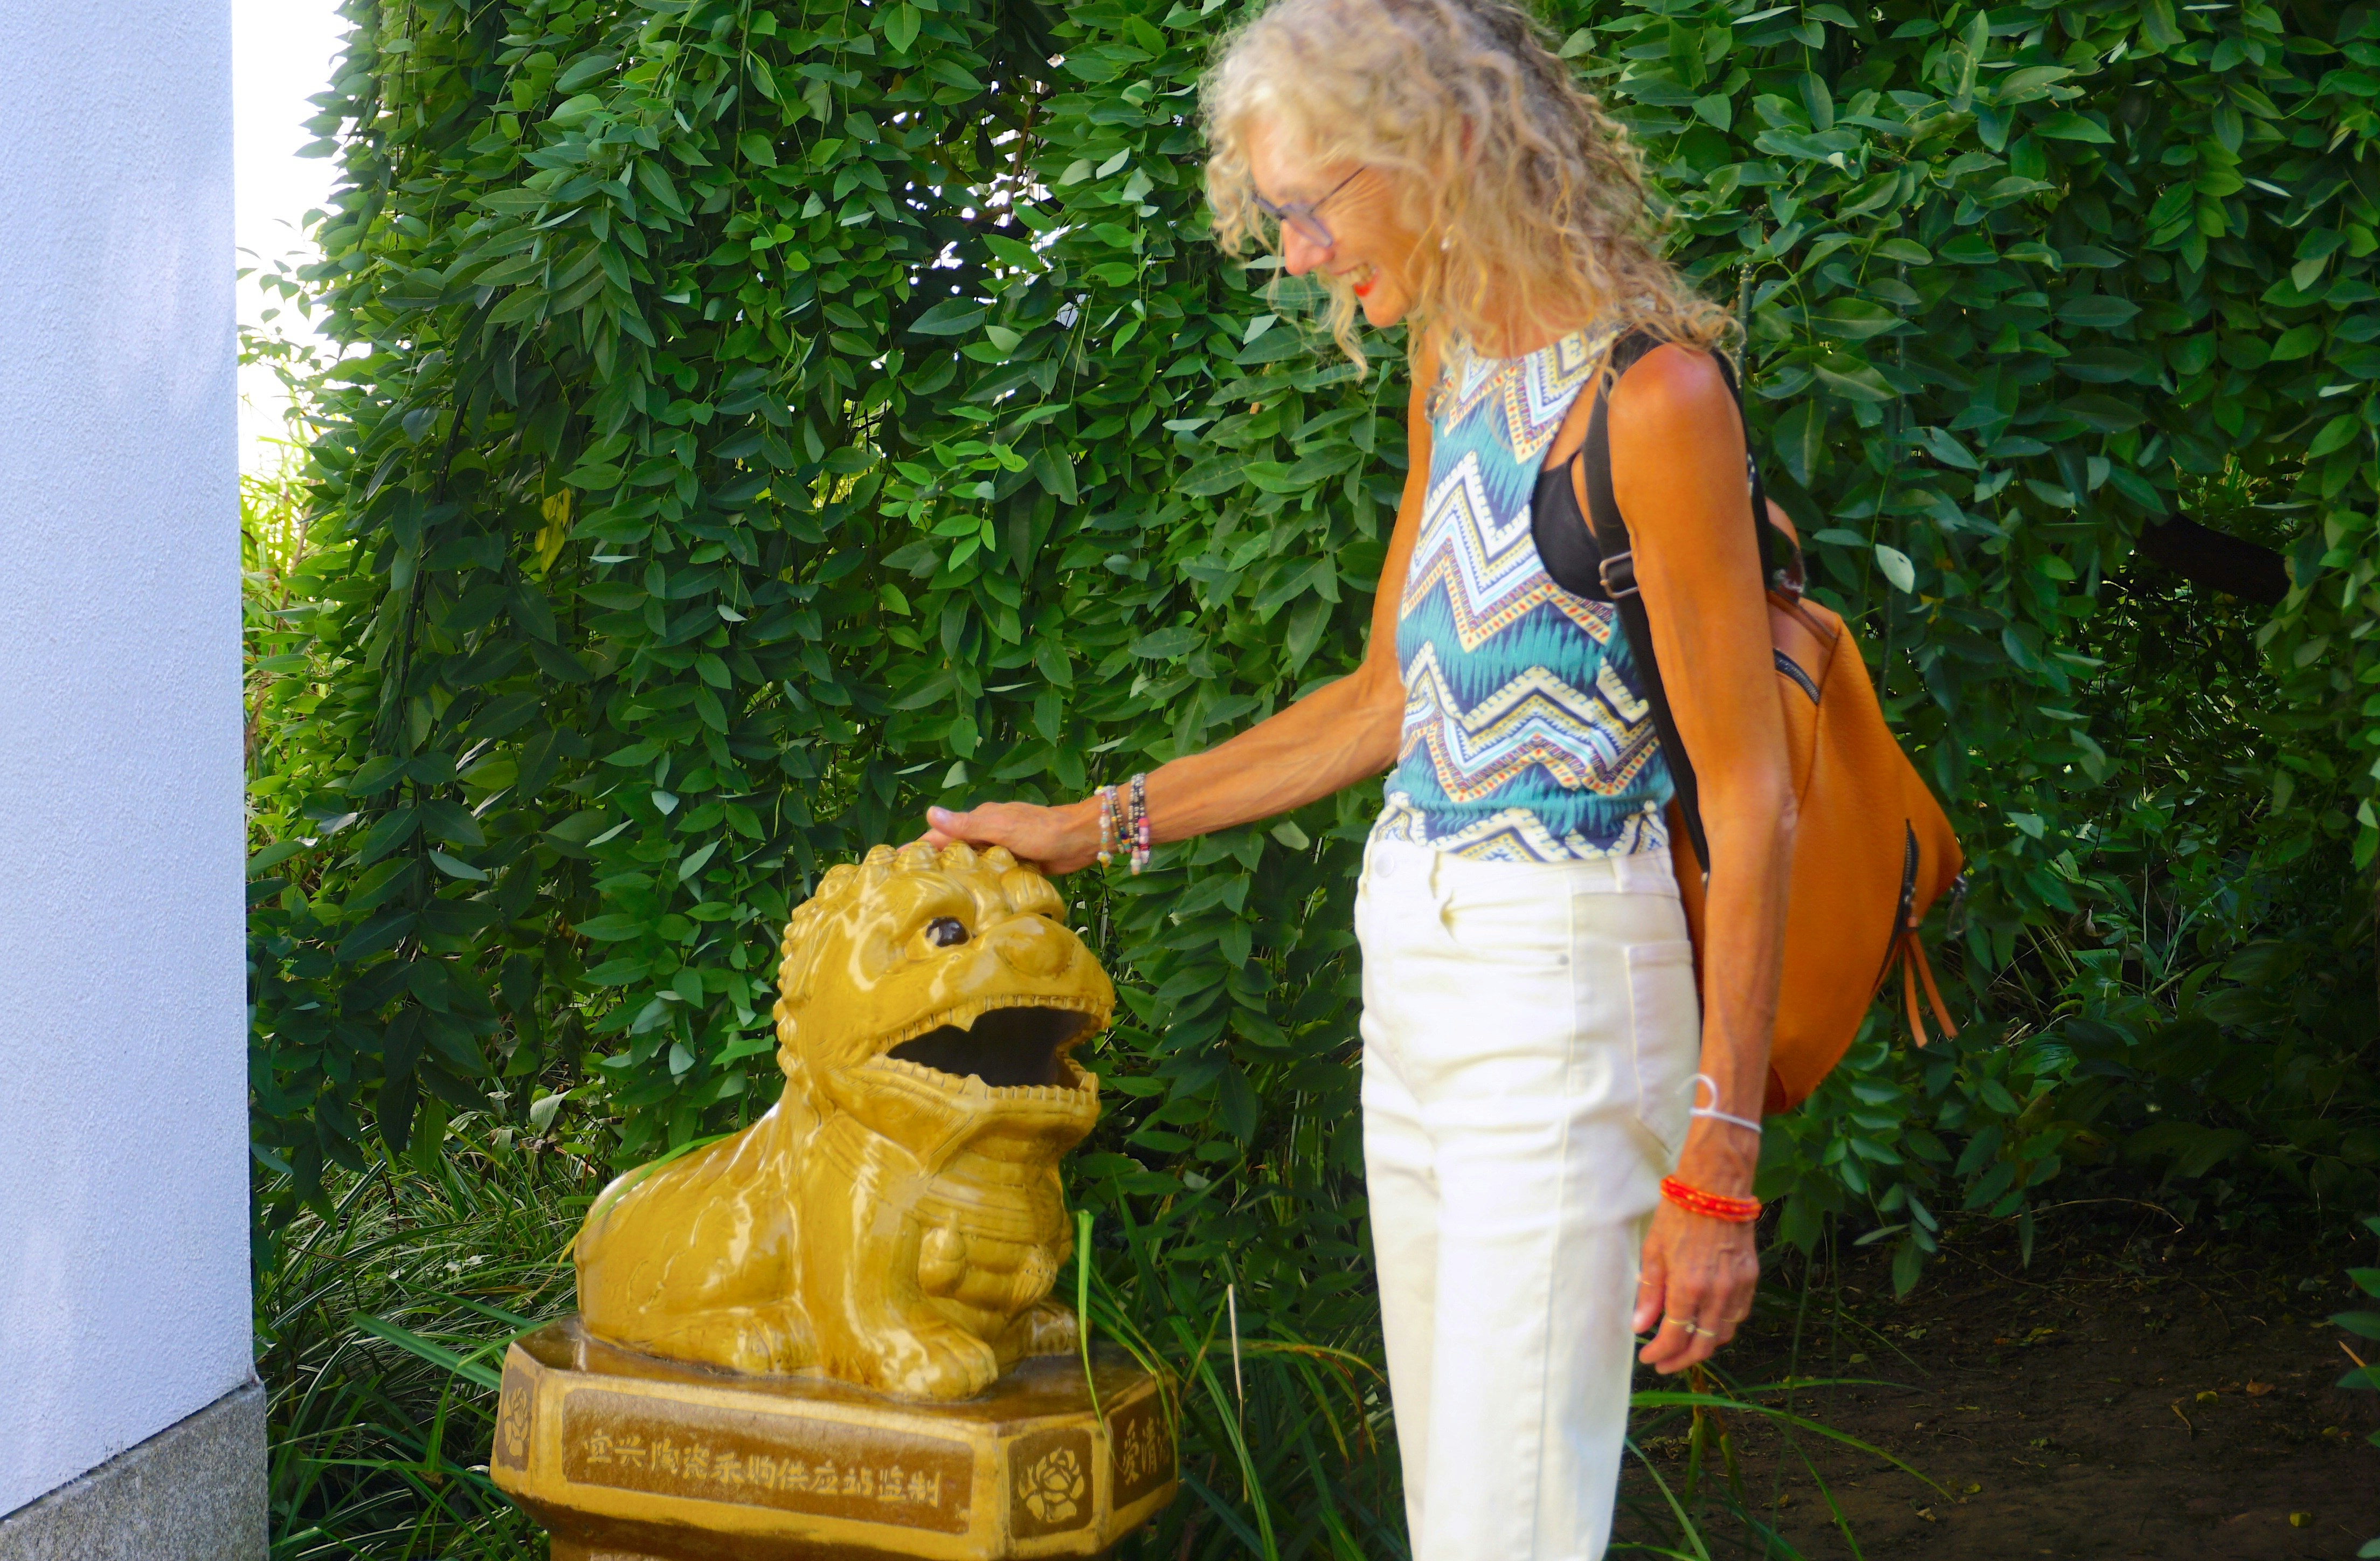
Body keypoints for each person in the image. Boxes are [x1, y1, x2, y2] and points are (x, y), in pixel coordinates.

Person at [922, 0, 1791, 1553]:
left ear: (1443, 152)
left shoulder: (1651, 405)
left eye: (1314, 204)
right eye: (1281, 217)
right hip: (1418, 962)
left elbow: (1750, 800)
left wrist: (1720, 1161)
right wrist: (1088, 824)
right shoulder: (1454, 367)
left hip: (1567, 990)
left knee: (1510, 1524)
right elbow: (1385, 700)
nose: (1303, 251)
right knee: (1460, 1502)